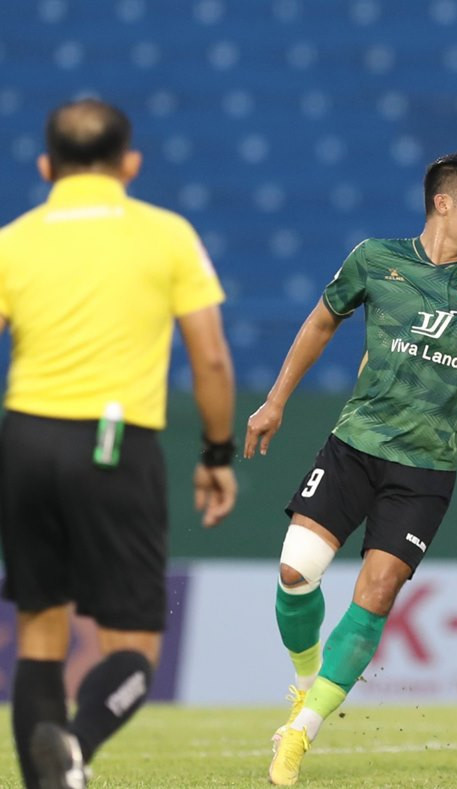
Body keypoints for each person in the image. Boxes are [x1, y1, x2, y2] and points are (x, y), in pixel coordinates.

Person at [244, 152, 457, 786]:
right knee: (296, 571)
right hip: (356, 446)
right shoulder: (375, 259)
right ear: (443, 203)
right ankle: (305, 684)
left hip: (427, 469)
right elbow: (321, 322)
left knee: (375, 593)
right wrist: (275, 401)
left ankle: (300, 733)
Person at [0, 98, 237, 788]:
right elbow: (211, 358)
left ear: (46, 166)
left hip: (25, 440)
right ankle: (76, 745)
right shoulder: (166, 235)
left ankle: (53, 778)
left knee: (40, 635)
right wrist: (216, 454)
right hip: (114, 441)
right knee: (134, 648)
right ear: (130, 163)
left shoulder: (13, 240)